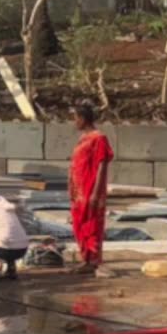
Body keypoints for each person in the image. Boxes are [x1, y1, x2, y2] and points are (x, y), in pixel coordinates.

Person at [67, 101, 113, 275]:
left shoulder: (99, 138)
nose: (74, 123)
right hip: (78, 192)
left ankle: (95, 260)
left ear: (83, 119)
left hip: (90, 190)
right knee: (80, 225)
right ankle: (85, 260)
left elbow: (102, 164)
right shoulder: (82, 139)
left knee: (92, 225)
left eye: (76, 118)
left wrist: (95, 192)